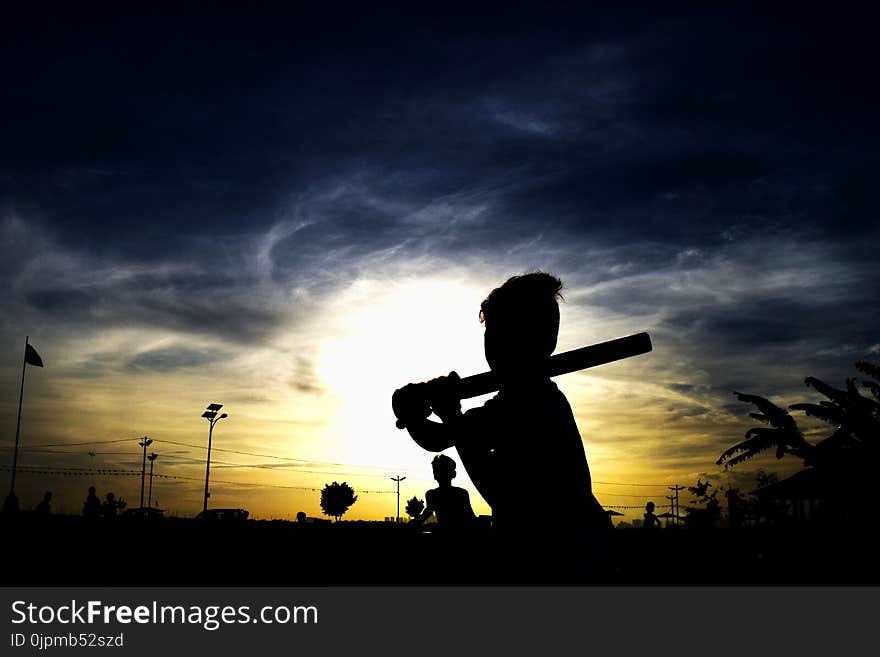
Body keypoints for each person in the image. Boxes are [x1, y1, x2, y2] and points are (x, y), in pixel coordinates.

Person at [393, 272, 610, 578]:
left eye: (498, 332)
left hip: (567, 556)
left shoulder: (534, 401)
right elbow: (439, 438)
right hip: (553, 553)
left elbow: (503, 492)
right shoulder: (510, 401)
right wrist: (415, 415)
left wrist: (448, 412)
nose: (492, 341)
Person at [410, 454, 476, 529]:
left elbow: (426, 514)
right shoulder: (462, 493)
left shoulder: (432, 494)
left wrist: (412, 524)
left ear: (435, 475)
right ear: (454, 474)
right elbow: (471, 516)